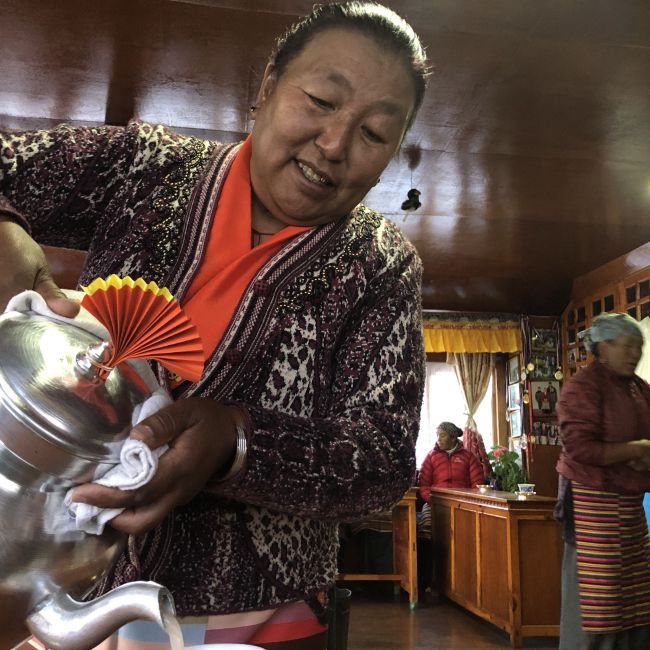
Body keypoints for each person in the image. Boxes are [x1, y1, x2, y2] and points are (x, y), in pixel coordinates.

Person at [0, 2, 429, 648]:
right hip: (71, 589)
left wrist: (236, 442)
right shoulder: (145, 171)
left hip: (266, 623)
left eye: (374, 134)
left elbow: (382, 460)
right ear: (267, 86)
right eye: (319, 100)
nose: (336, 145)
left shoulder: (380, 268)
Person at [555, 313, 650, 650]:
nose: (635, 354)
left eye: (639, 347)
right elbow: (579, 447)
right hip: (591, 500)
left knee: (635, 591)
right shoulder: (582, 387)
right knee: (599, 593)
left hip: (630, 502)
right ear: (605, 346)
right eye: (628, 346)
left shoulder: (639, 389)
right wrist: (633, 450)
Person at [418, 422, 485, 504]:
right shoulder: (431, 456)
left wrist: (469, 502)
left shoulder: (468, 456)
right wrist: (431, 500)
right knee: (427, 517)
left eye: (442, 436)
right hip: (435, 503)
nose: (438, 439)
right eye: (437, 435)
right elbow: (423, 484)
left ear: (453, 438)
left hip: (463, 504)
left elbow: (478, 484)